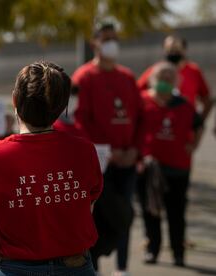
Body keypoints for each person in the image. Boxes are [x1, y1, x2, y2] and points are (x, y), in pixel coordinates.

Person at [0, 61, 103, 276]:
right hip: (76, 266)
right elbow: (88, 207)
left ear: (14, 100)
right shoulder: (84, 150)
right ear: (62, 106)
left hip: (16, 269)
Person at [71, 23, 143, 275]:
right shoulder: (82, 78)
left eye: (114, 38)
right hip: (100, 164)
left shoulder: (127, 77)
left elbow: (141, 117)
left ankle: (122, 268)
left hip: (128, 161)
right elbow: (79, 122)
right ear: (95, 43)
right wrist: (105, 152)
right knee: (98, 219)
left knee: (125, 214)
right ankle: (95, 268)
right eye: (106, 39)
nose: (111, 43)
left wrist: (134, 150)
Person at [137, 61, 203, 267]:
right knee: (150, 212)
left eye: (169, 77)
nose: (165, 81)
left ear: (175, 81)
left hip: (177, 169)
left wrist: (193, 145)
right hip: (148, 168)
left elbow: (198, 125)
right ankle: (153, 249)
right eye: (161, 77)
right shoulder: (142, 102)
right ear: (152, 79)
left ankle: (178, 253)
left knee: (176, 213)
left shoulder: (184, 105)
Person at [137, 35, 212, 121]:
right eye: (169, 49)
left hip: (184, 123)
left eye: (176, 49)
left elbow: (206, 99)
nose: (173, 53)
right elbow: (136, 94)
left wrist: (199, 122)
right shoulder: (155, 70)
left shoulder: (194, 71)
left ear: (184, 50)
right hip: (160, 124)